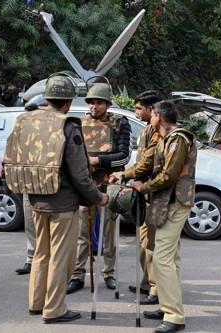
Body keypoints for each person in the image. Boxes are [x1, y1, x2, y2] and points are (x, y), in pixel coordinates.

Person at [3, 74, 108, 323]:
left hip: (35, 197)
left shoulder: (25, 120)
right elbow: (81, 175)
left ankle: (36, 302)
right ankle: (55, 309)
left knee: (41, 253)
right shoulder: (68, 126)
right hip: (62, 204)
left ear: (48, 97)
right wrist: (98, 197)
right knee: (61, 257)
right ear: (68, 102)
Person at [130, 101, 197, 333]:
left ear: (158, 116)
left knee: (161, 258)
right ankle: (167, 305)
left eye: (152, 115)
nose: (149, 118)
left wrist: (143, 187)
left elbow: (168, 175)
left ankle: (174, 315)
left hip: (175, 202)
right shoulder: (165, 138)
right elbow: (149, 164)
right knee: (171, 258)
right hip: (167, 202)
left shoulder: (178, 139)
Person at [67, 83, 131, 294]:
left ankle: (109, 272)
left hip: (110, 182)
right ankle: (77, 274)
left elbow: (124, 156)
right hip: (86, 184)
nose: (94, 106)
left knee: (110, 231)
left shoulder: (120, 123)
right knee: (82, 232)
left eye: (99, 102)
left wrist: (98, 160)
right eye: (91, 102)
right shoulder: (79, 124)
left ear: (107, 103)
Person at [109, 90, 163, 305]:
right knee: (143, 243)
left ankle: (156, 289)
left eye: (139, 108)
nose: (136, 111)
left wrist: (124, 174)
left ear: (152, 109)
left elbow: (147, 164)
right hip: (142, 192)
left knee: (151, 245)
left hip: (152, 193)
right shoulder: (148, 130)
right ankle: (146, 283)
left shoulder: (158, 132)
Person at [15, 95, 49, 275]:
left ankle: (49, 262)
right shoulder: (23, 130)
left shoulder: (53, 131)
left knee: (50, 227)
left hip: (49, 186)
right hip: (29, 184)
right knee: (30, 223)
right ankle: (31, 259)